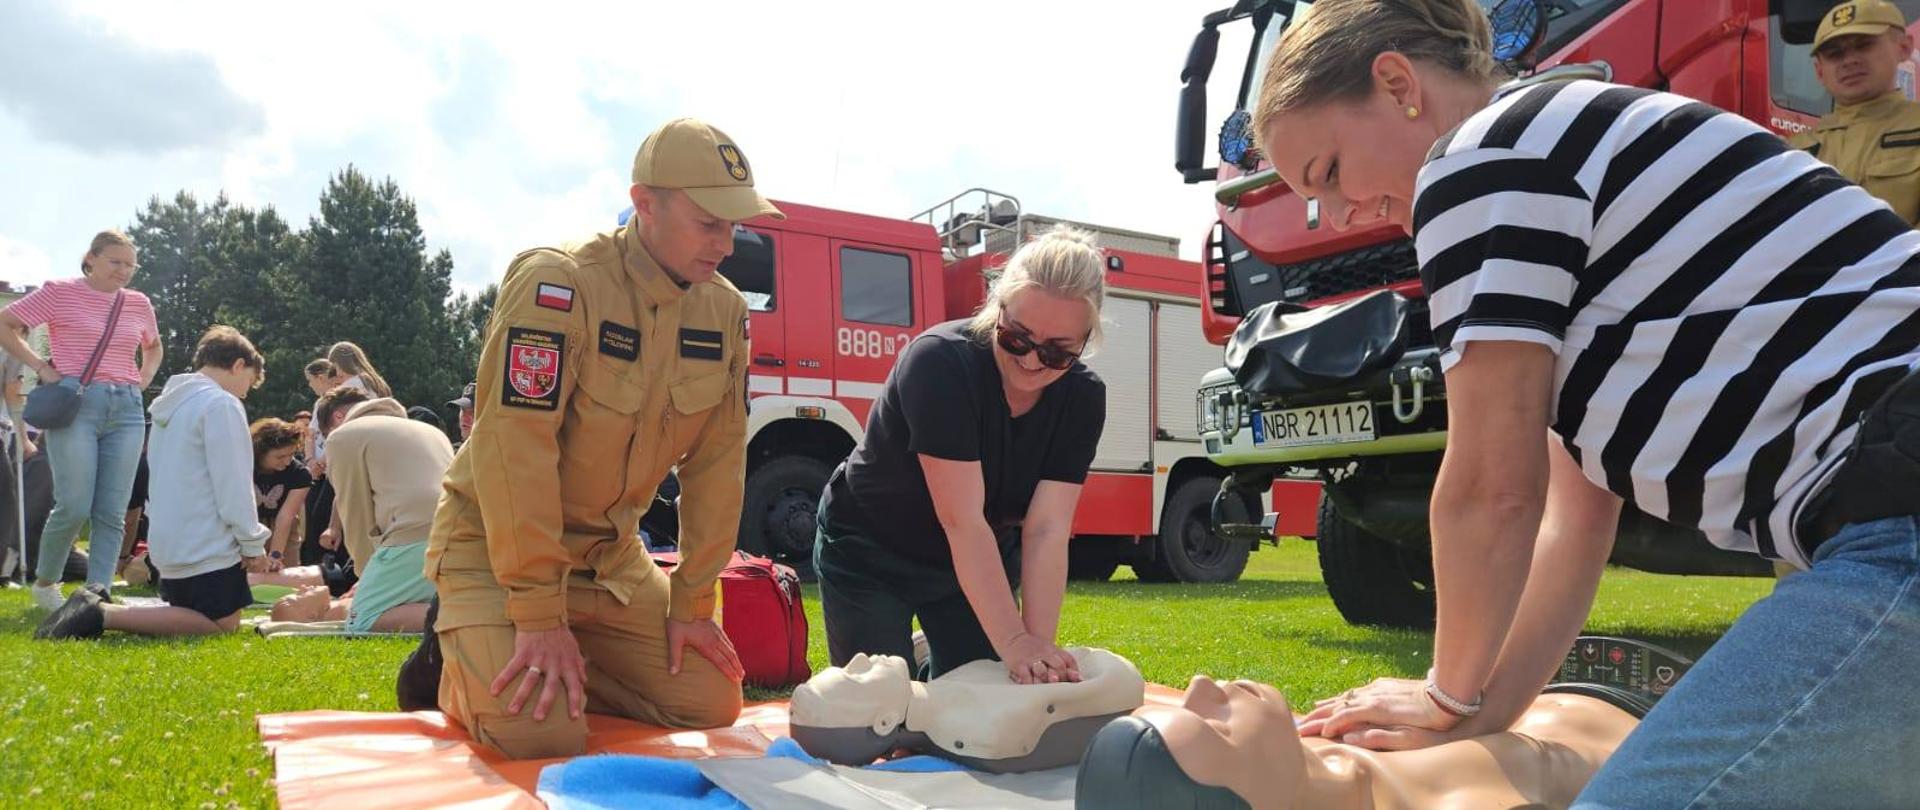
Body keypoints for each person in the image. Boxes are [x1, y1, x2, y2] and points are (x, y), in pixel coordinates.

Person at [1251, 0, 1920, 806]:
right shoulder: (1561, 144)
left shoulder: (1476, 163)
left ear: (1398, 85)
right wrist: (1483, 706)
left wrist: (1443, 694)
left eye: (1328, 173)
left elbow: (1490, 487)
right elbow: (1575, 520)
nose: (1342, 212)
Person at [422, 117, 775, 759]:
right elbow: (514, 445)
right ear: (645, 203)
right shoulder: (557, 282)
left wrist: (693, 602)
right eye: (709, 222)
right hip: (498, 554)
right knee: (539, 735)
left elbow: (719, 462)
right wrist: (535, 613)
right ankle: (455, 662)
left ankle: (559, 653)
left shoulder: (724, 310)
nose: (727, 243)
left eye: (735, 224)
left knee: (708, 700)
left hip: (611, 562)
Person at [814, 226, 1107, 685]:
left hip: (975, 559)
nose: (1032, 362)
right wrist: (1013, 643)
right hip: (872, 548)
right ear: (997, 308)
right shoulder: (939, 364)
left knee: (983, 705)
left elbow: (1047, 529)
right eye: (1018, 338)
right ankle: (917, 655)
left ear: (1085, 340)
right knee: (881, 712)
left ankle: (938, 654)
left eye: (1057, 353)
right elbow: (961, 519)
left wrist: (1036, 649)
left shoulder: (1083, 398)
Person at [1074, 674, 1640, 810]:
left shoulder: (1297, 755)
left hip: (1527, 682)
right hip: (1636, 717)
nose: (1201, 688)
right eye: (1215, 724)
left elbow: (1138, 697)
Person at [35, 326, 267, 639]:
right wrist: (251, 543)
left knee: (197, 615)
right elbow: (233, 484)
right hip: (205, 543)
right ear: (239, 365)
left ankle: (100, 609)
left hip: (169, 543)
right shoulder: (221, 405)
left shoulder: (169, 406)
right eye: (249, 382)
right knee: (223, 626)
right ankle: (101, 612)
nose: (245, 391)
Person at [0, 230, 162, 607]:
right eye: (115, 262)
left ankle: (98, 591)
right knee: (73, 503)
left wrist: (144, 378)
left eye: (130, 265)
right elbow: (6, 323)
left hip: (127, 408)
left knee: (112, 508)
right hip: (76, 404)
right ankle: (46, 583)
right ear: (91, 258)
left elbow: (153, 347)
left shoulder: (138, 303)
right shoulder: (60, 291)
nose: (124, 271)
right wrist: (41, 366)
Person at [269, 396, 450, 633]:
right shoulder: (430, 431)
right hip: (460, 529)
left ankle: (461, 618)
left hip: (413, 536)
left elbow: (355, 514)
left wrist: (365, 575)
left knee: (362, 621)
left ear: (337, 422)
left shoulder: (344, 437)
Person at [1789, 1, 1920, 226]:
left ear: (1904, 48)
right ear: (1819, 71)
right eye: (1834, 54)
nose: (1849, 60)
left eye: (1864, 45)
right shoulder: (1791, 150)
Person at [250, 418, 313, 570]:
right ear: (260, 453)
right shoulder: (243, 466)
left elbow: (286, 516)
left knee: (284, 570)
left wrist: (276, 554)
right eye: (280, 457)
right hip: (249, 524)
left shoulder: (300, 474)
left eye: (290, 455)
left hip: (284, 527)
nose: (286, 462)